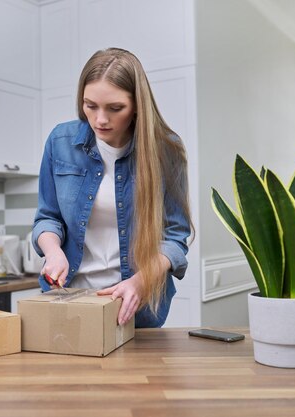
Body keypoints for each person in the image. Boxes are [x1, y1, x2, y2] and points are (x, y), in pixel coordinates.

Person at [32, 48, 193, 328]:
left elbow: (175, 236)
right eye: (90, 105)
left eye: (115, 108)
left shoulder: (166, 150)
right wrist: (53, 251)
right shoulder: (60, 142)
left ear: (137, 107)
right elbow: (48, 217)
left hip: (135, 306)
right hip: (69, 299)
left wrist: (140, 282)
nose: (100, 120)